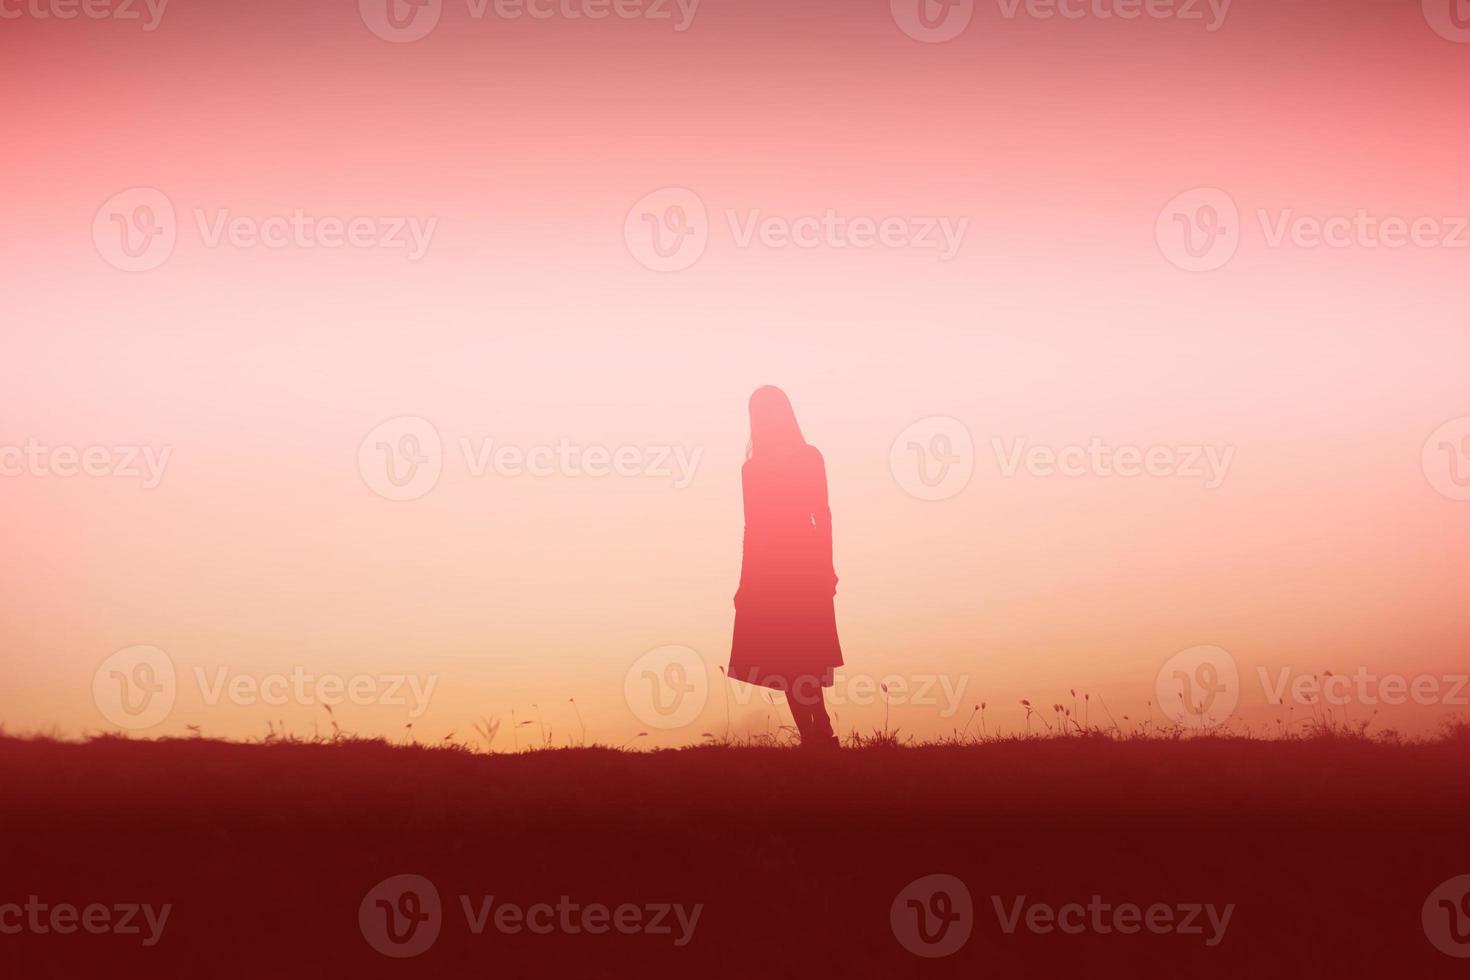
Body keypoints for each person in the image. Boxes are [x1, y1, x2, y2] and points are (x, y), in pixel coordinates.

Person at [728, 386, 843, 749]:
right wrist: (745, 583)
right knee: (788, 654)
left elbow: (822, 514)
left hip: (800, 562)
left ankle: (818, 730)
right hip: (773, 566)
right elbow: (752, 526)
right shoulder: (751, 469)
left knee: (804, 651)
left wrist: (827, 566)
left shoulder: (809, 457)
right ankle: (815, 734)